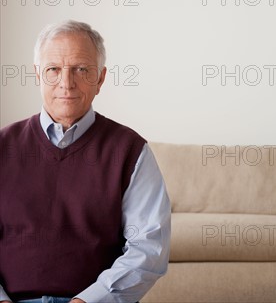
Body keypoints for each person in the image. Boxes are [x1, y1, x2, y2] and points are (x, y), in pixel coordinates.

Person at [0, 20, 171, 303]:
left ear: (100, 79)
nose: (66, 83)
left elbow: (148, 247)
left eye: (81, 69)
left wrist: (87, 302)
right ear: (37, 75)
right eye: (53, 69)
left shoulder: (130, 150)